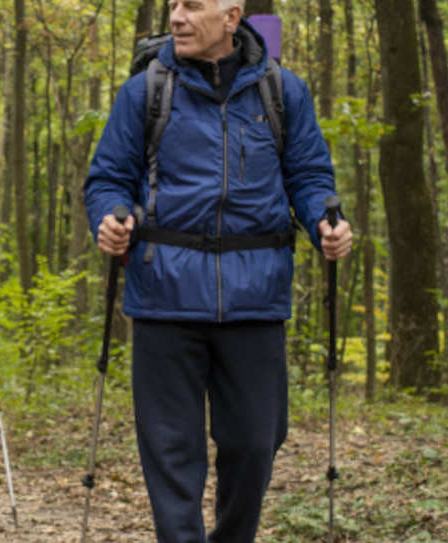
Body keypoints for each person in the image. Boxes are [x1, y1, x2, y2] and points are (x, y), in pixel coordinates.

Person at [83, 0, 353, 541]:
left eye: (193, 6)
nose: (177, 17)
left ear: (231, 18)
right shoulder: (144, 92)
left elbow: (308, 175)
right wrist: (109, 220)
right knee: (170, 450)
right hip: (163, 294)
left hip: (256, 295)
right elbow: (108, 178)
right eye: (174, 6)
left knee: (255, 442)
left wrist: (328, 219)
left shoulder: (282, 91)